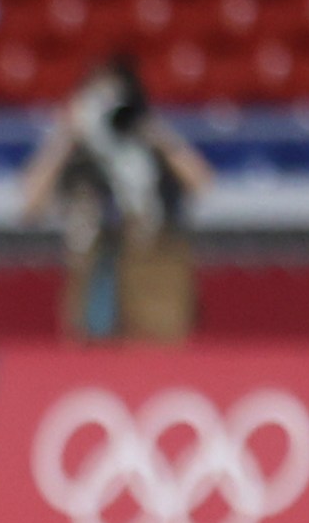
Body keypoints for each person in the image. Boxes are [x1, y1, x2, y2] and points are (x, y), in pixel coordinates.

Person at [18, 53, 215, 345]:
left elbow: (201, 183)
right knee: (90, 366)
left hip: (153, 270)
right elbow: (29, 207)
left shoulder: (151, 147)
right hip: (93, 270)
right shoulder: (76, 157)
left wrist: (150, 128)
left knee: (155, 364)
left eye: (116, 99)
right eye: (98, 99)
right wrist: (65, 136)